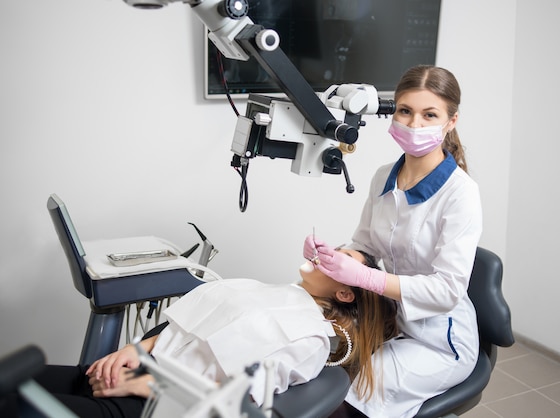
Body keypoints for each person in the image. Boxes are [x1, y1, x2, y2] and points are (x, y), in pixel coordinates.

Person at [0, 248, 397, 418]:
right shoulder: (271, 291)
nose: (324, 255)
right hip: (126, 369)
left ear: (345, 292)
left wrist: (149, 383)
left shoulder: (309, 342)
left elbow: (236, 405)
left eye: (339, 260)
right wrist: (136, 350)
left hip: (145, 408)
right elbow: (188, 319)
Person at [304, 65, 483, 418]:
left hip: (441, 341)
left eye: (429, 114)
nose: (414, 124)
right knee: (321, 371)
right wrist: (334, 256)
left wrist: (366, 278)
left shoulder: (461, 194)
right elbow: (365, 247)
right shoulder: (383, 177)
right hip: (395, 322)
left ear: (451, 121)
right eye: (405, 111)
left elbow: (448, 290)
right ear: (393, 112)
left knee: (361, 393)